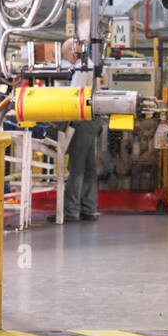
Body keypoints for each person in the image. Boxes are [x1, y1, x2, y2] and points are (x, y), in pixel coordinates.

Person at [61, 38, 100, 223]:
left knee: (76, 167)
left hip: (83, 119)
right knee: (89, 166)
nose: (66, 59)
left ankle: (72, 211)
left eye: (65, 55)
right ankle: (89, 208)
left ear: (72, 51)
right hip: (93, 119)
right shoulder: (89, 65)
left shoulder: (82, 68)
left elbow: (73, 97)